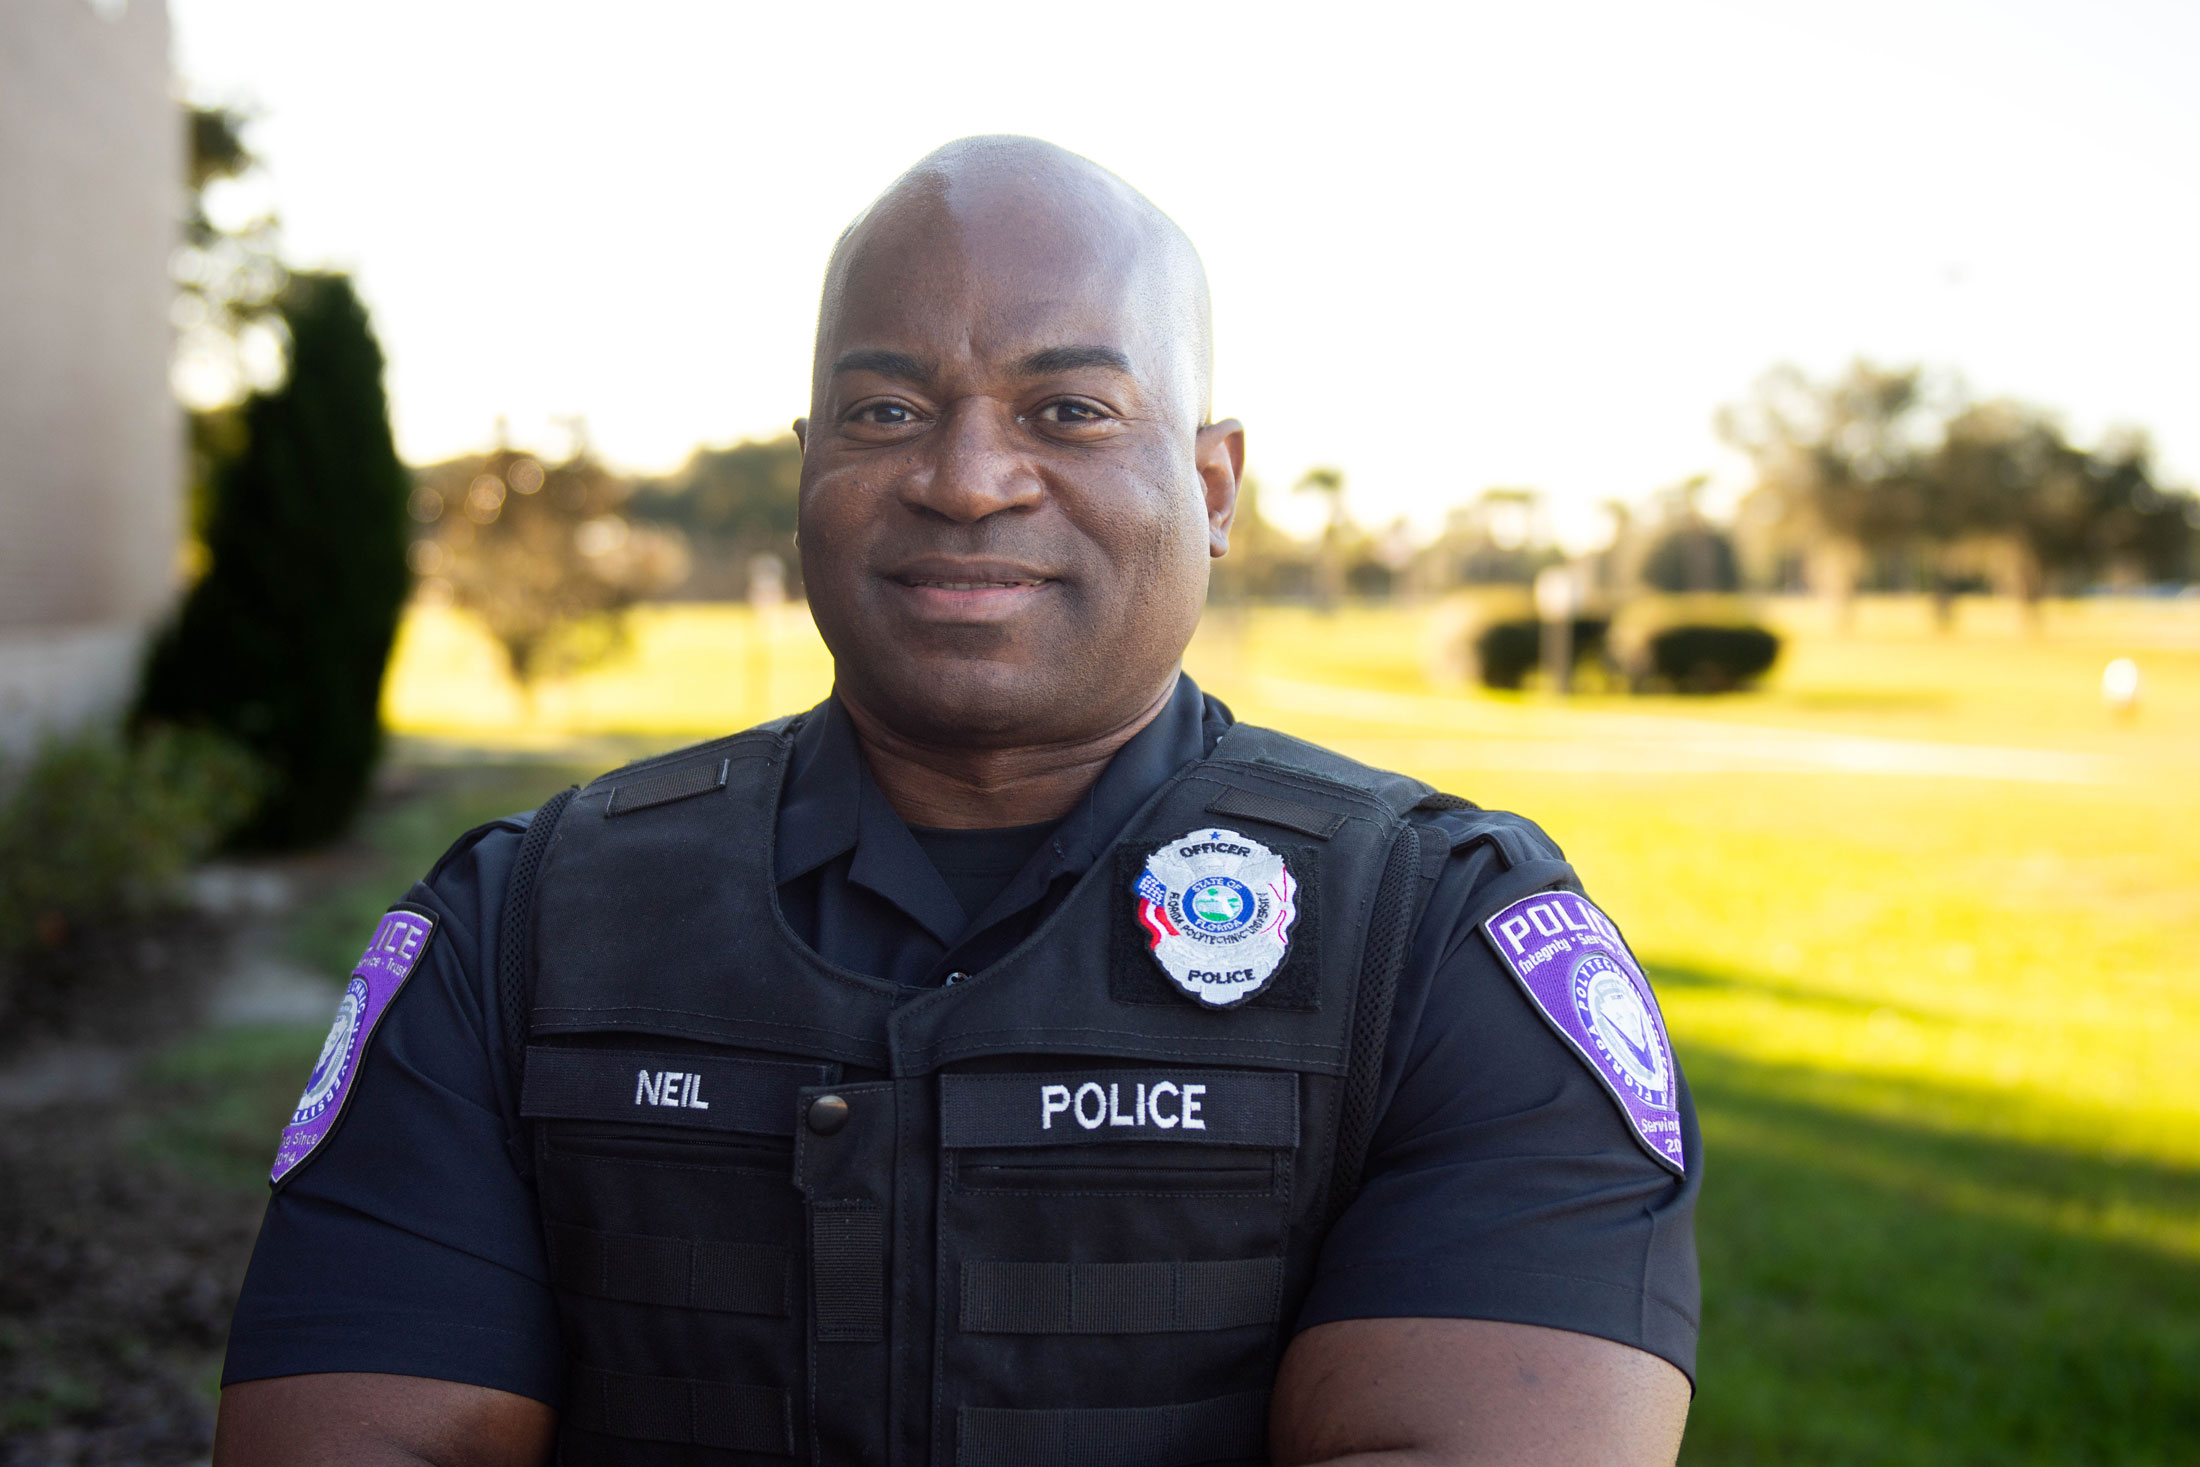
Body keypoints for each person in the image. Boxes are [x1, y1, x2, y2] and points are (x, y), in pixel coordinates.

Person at [214, 137, 1699, 1467]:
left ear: (1216, 485)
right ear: (809, 472)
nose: (969, 477)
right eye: (885, 409)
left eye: (1067, 407)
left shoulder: (1441, 943)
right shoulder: (519, 925)